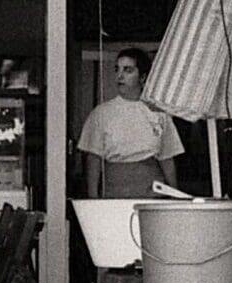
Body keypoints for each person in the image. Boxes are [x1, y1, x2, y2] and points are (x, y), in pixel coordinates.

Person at [76, 48, 182, 198]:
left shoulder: (158, 113)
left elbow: (167, 157)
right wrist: (93, 198)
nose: (120, 76)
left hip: (152, 191)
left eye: (128, 70)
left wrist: (175, 195)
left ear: (143, 77)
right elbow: (94, 159)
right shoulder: (101, 113)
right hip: (114, 192)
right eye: (117, 69)